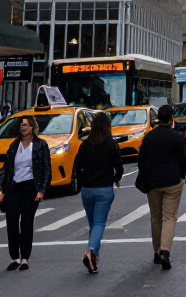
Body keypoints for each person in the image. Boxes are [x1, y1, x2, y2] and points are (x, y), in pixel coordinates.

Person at [0, 114, 50, 270]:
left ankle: (25, 258)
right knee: (11, 222)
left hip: (31, 187)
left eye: (25, 125)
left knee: (26, 222)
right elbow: (6, 168)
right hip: (14, 187)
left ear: (32, 127)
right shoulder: (14, 146)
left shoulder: (40, 145)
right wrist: (0, 187)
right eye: (21, 125)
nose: (22, 127)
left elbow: (47, 169)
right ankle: (14, 258)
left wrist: (42, 190)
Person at [137, 104, 186, 271]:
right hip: (172, 181)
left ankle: (157, 251)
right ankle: (165, 250)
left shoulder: (149, 137)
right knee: (169, 217)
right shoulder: (177, 136)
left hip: (153, 182)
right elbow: (182, 159)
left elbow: (141, 161)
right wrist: (182, 175)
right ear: (172, 118)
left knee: (155, 217)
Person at [73, 111, 123, 274]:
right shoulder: (111, 144)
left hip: (87, 189)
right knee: (99, 224)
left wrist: (81, 182)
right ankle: (91, 251)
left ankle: (94, 260)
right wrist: (116, 178)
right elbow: (119, 166)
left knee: (93, 225)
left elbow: (77, 167)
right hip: (104, 188)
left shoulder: (85, 145)